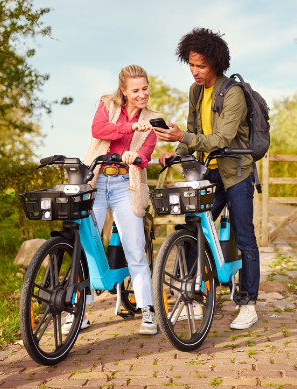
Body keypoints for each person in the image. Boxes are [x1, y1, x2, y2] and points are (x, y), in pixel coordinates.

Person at [153, 28, 261, 330]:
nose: (195, 71)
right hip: (209, 171)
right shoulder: (195, 91)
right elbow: (191, 131)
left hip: (237, 171)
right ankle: (194, 295)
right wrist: (176, 150)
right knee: (192, 231)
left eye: (200, 65)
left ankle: (248, 303)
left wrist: (184, 136)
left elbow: (222, 137)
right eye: (191, 64)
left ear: (215, 62)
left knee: (245, 237)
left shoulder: (234, 93)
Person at [64, 65, 158, 335]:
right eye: (136, 90)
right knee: (84, 247)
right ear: (124, 92)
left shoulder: (151, 120)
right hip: (96, 180)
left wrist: (135, 156)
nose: (142, 94)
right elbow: (99, 130)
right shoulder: (108, 105)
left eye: (145, 88)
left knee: (135, 249)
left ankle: (147, 310)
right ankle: (79, 310)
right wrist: (129, 128)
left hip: (124, 185)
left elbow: (146, 152)